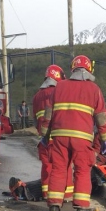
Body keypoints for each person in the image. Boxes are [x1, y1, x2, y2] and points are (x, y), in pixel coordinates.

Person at [42, 55, 106, 211]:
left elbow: (48, 114)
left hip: (59, 136)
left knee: (58, 169)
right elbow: (101, 117)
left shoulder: (59, 86)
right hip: (82, 137)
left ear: (72, 68)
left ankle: (54, 206)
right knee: (82, 169)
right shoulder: (94, 89)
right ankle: (81, 206)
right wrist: (105, 138)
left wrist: (45, 135)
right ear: (88, 70)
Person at [33, 64, 72, 199]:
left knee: (47, 166)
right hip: (58, 136)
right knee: (63, 166)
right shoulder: (59, 92)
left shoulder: (37, 96)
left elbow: (35, 120)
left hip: (44, 138)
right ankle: (65, 195)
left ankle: (46, 193)